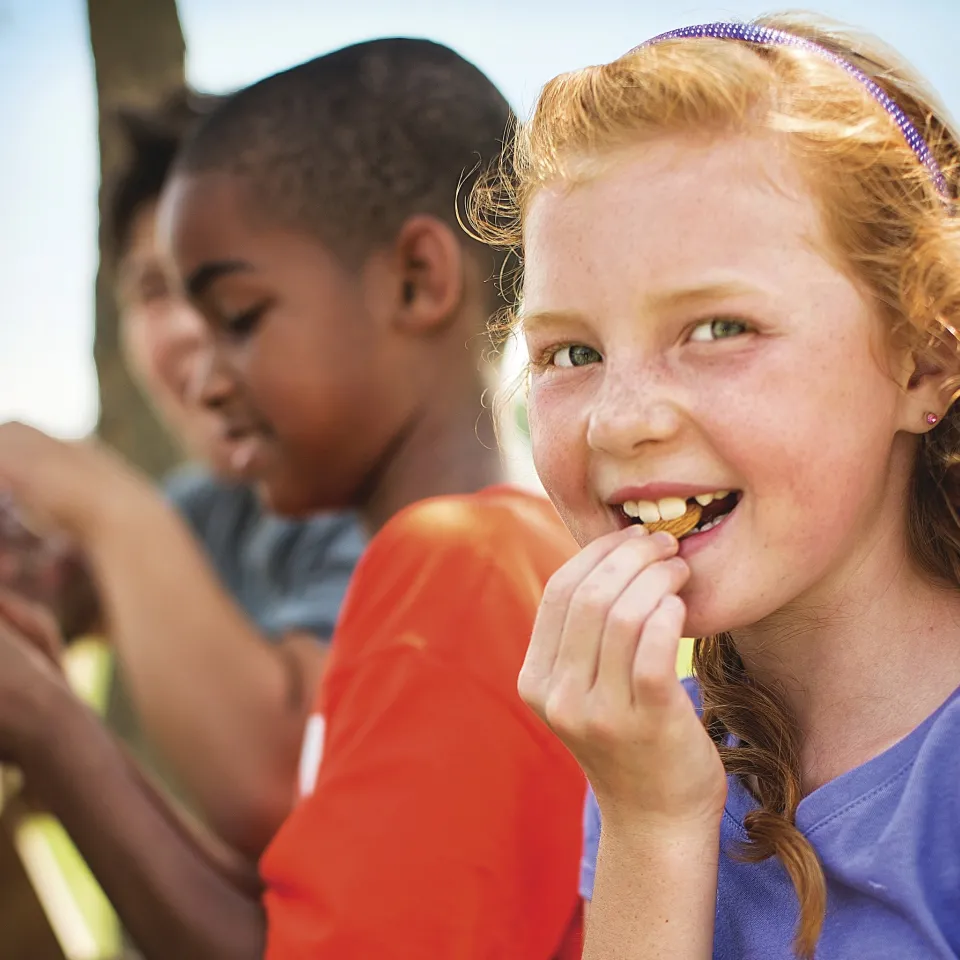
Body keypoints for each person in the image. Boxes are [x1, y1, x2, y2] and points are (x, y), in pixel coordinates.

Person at [0, 38, 585, 959]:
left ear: (417, 281)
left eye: (239, 318)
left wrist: (46, 727)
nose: (210, 377)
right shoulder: (469, 558)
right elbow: (299, 914)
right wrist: (53, 715)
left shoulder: (457, 566)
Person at [468, 12, 960, 960]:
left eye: (718, 329)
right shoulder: (654, 750)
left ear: (924, 363)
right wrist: (652, 825)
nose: (620, 418)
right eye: (571, 352)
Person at [0, 89, 366, 861]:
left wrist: (103, 504)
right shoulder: (205, 507)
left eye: (219, 284)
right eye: (152, 289)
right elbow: (68, 590)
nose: (188, 328)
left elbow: (281, 783)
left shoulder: (371, 501)